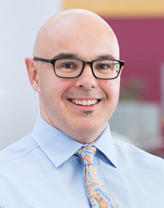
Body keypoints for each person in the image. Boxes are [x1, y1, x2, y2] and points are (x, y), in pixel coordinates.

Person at [0, 9, 164, 208]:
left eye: (103, 66)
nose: (88, 82)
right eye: (68, 65)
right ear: (35, 75)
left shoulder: (158, 178)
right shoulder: (6, 183)